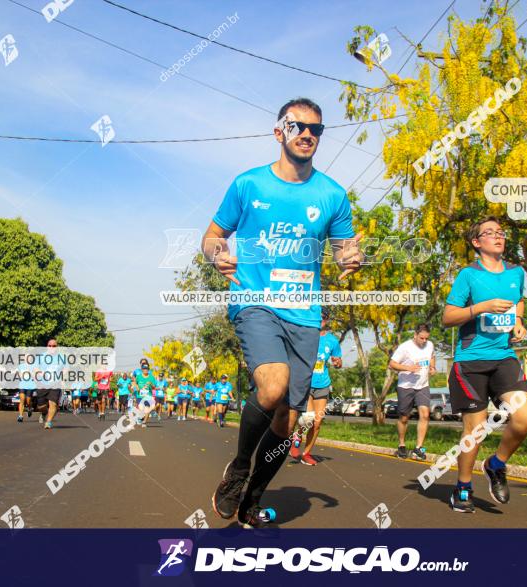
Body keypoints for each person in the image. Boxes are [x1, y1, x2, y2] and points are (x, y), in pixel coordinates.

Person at [203, 97, 364, 528]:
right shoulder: (249, 185)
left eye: (317, 129)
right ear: (280, 132)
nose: (308, 134)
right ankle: (238, 467)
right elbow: (214, 235)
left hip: (304, 313)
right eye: (299, 126)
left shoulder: (332, 195)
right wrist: (218, 254)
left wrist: (353, 256)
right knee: (272, 388)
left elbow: (345, 246)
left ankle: (252, 497)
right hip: (253, 300)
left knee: (288, 416)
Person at [442, 216, 527, 513]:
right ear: (477, 242)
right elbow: (448, 317)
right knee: (476, 430)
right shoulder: (468, 276)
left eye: (501, 232)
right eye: (490, 233)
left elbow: (518, 301)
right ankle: (463, 487)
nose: (498, 236)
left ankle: (496, 464)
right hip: (470, 362)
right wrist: (481, 307)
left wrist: (518, 321)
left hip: (504, 356)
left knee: (524, 417)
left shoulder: (517, 273)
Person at [291, 310, 342, 465]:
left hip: (322, 383)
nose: (320, 321)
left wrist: (337, 363)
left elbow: (339, 363)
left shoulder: (332, 341)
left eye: (323, 319)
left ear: (327, 321)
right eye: (318, 318)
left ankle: (306, 454)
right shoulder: (305, 335)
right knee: (308, 419)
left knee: (318, 422)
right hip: (306, 382)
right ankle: (297, 436)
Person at [388, 324, 436, 461]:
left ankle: (419, 448)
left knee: (425, 415)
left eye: (426, 338)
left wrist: (432, 367)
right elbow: (392, 364)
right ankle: (402, 445)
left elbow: (432, 356)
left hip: (422, 385)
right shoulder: (404, 347)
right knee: (404, 417)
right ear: (415, 335)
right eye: (422, 338)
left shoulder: (430, 345)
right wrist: (407, 368)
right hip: (406, 386)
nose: (424, 341)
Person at [32, 339, 65, 430]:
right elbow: (35, 368)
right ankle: (43, 413)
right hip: (42, 384)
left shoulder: (61, 358)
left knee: (53, 404)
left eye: (54, 346)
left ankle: (48, 422)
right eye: (50, 345)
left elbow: (65, 369)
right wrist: (40, 373)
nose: (51, 347)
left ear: (56, 347)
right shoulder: (41, 357)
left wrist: (63, 378)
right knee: (41, 406)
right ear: (47, 346)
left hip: (55, 384)